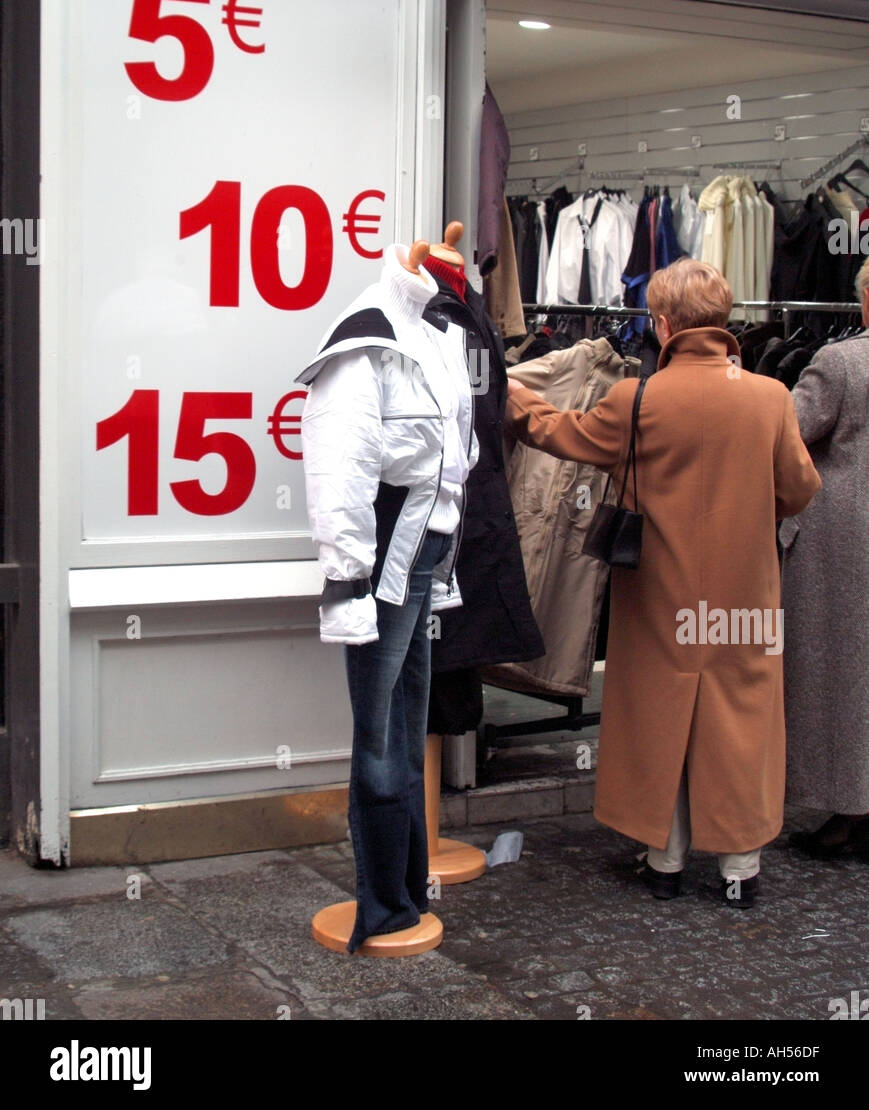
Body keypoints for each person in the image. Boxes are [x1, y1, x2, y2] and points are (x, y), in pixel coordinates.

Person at [506, 258, 821, 907]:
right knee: (741, 719)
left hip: (659, 591)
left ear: (663, 322)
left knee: (660, 714)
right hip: (745, 597)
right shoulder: (769, 397)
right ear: (723, 320)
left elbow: (558, 433)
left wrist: (508, 392)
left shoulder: (636, 398)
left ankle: (664, 859)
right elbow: (799, 490)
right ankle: (739, 868)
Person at [298, 241, 477, 951]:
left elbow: (450, 461)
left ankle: (401, 891)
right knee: (379, 731)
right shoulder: (366, 333)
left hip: (420, 554)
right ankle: (383, 902)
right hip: (378, 558)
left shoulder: (442, 327)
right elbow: (339, 466)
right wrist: (347, 585)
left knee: (405, 720)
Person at [780, 254, 869, 859]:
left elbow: (780, 432)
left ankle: (849, 813)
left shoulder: (840, 363)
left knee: (840, 674)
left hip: (843, 542)